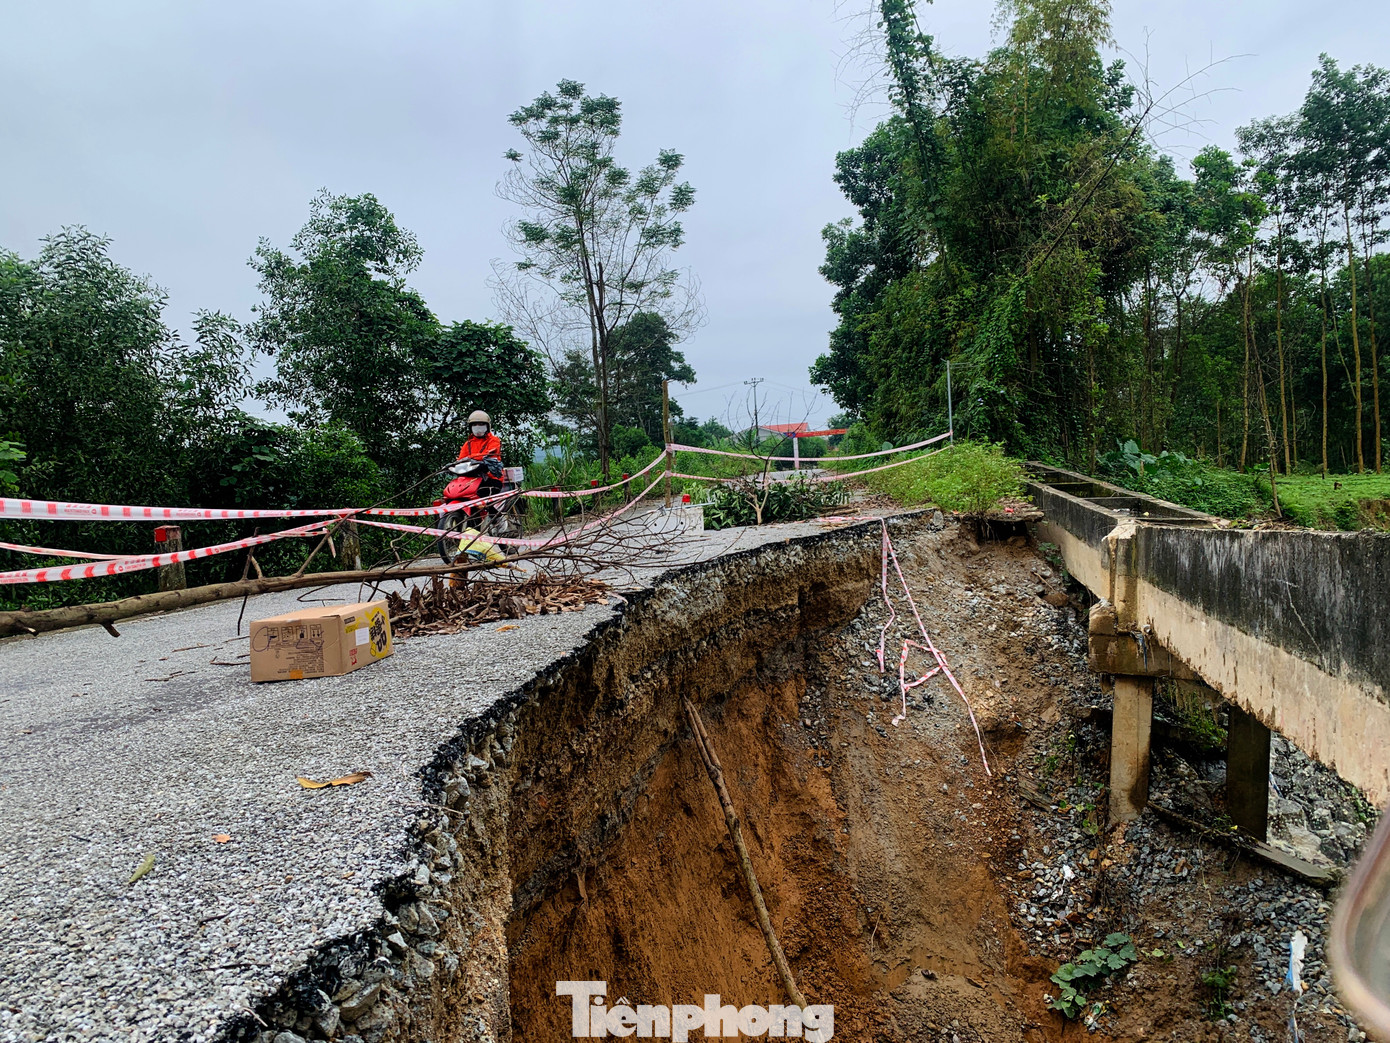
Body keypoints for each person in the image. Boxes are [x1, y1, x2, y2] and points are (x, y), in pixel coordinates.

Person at [457, 409, 505, 495]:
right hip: (470, 480)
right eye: (475, 424)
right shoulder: (467, 444)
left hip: (492, 479)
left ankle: (491, 509)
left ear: (487, 426)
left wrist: (470, 458)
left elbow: (488, 455)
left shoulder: (494, 441)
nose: (478, 427)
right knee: (452, 493)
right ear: (471, 427)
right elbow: (461, 460)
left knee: (483, 496)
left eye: (481, 424)